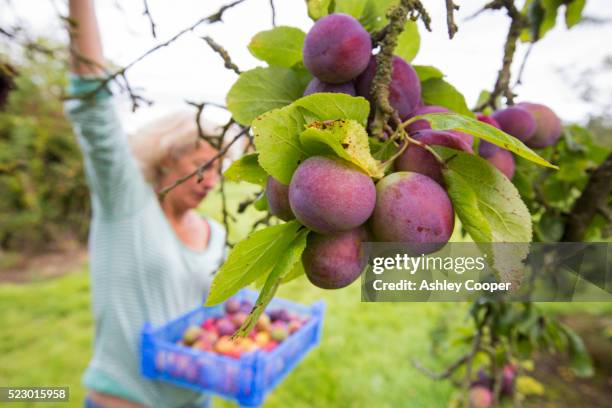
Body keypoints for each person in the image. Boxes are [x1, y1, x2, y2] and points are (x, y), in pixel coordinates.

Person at [66, 1, 226, 407]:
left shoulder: (215, 234)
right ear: (168, 157)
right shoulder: (126, 205)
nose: (212, 182)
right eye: (201, 167)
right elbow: (93, 111)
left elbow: (214, 322)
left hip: (197, 400)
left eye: (219, 170)